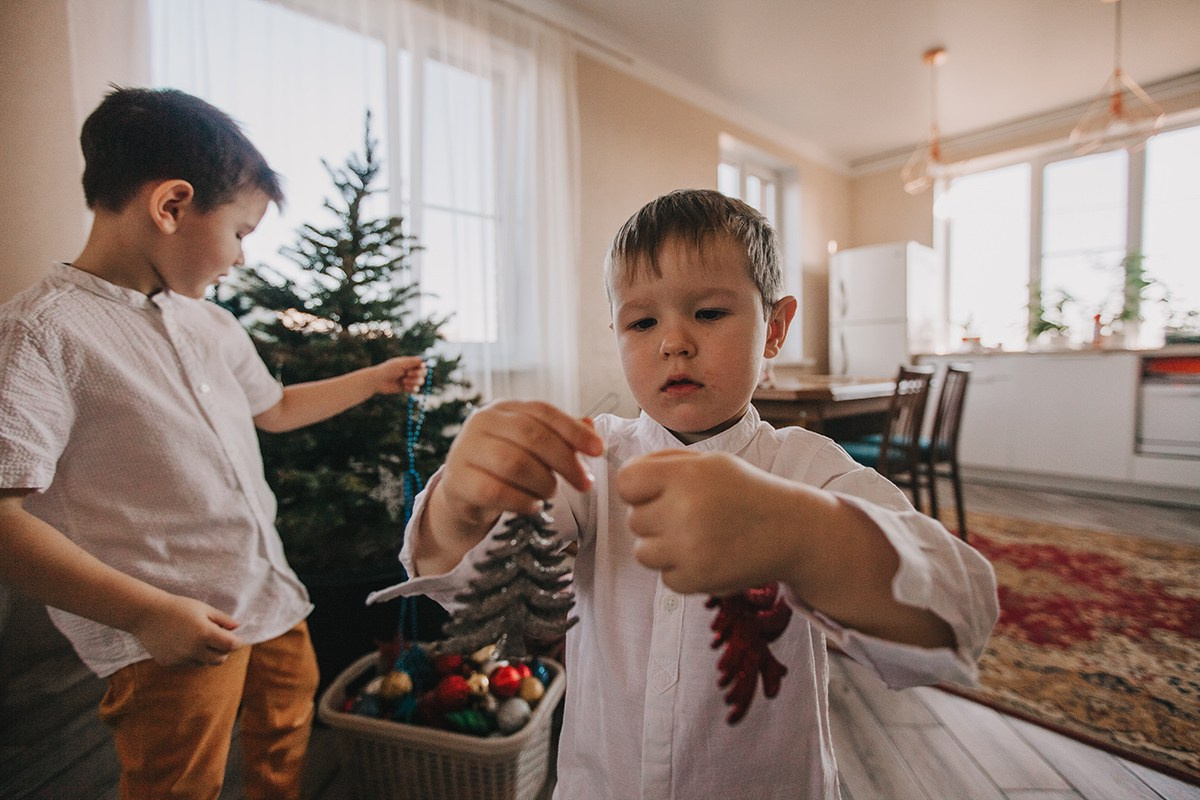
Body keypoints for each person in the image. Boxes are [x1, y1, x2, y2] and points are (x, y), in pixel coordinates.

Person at [373, 188, 998, 799]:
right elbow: (468, 590)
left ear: (774, 328)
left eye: (708, 312)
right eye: (642, 321)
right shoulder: (591, 463)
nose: (673, 341)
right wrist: (460, 506)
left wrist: (804, 535)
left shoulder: (805, 468)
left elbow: (956, 614)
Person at [0, 86, 427, 800]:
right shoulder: (44, 333)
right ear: (171, 206)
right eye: (240, 232)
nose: (239, 258)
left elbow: (278, 408)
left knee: (286, 726)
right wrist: (146, 613)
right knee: (180, 777)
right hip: (168, 629)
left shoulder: (211, 325)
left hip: (266, 593)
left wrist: (374, 378)